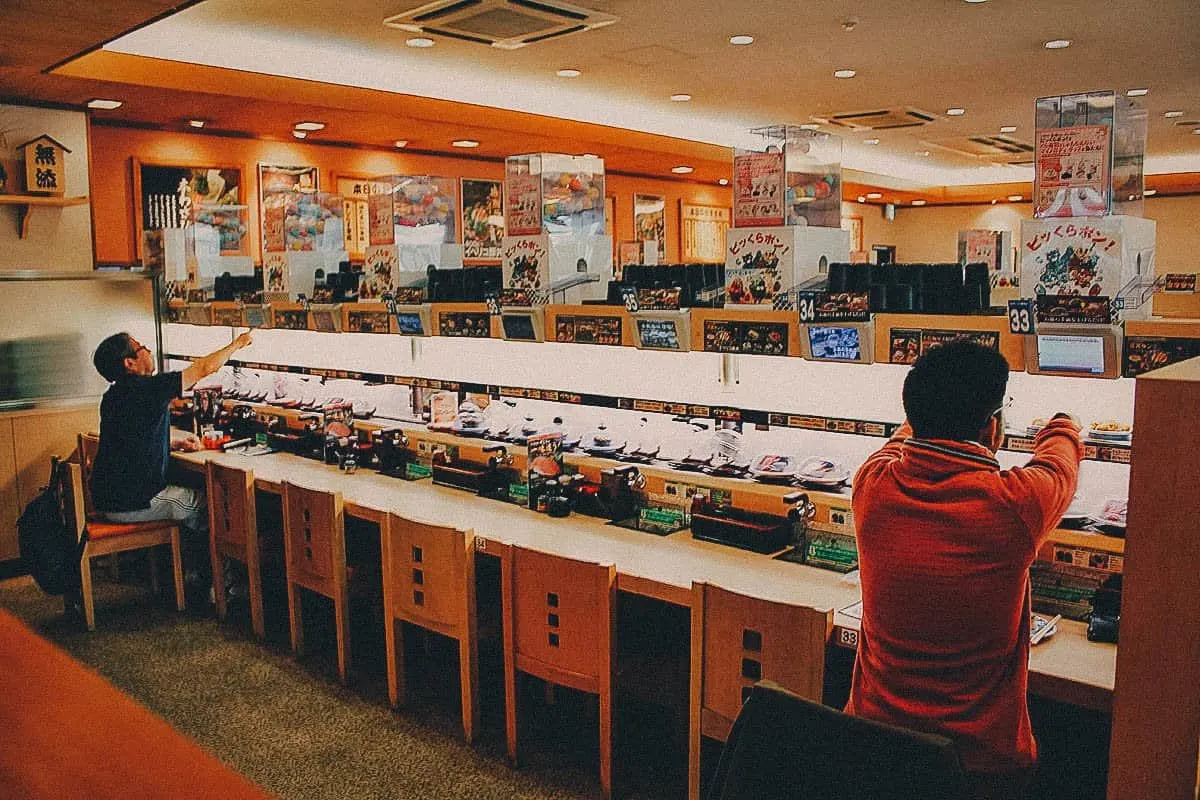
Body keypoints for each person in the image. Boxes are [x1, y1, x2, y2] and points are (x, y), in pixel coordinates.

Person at [845, 340, 1083, 800]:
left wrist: (925, 416)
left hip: (873, 748)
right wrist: (1063, 422)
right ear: (993, 427)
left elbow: (900, 441)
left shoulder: (871, 486)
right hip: (977, 769)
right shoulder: (1017, 505)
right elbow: (1060, 461)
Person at [88, 331, 252, 582]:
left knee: (193, 496)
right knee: (214, 505)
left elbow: (132, 438)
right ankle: (218, 584)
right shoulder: (148, 389)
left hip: (108, 499)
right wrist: (238, 343)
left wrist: (174, 442)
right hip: (134, 503)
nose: (149, 351)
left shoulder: (114, 396)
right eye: (141, 347)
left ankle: (192, 573)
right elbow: (204, 368)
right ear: (129, 363)